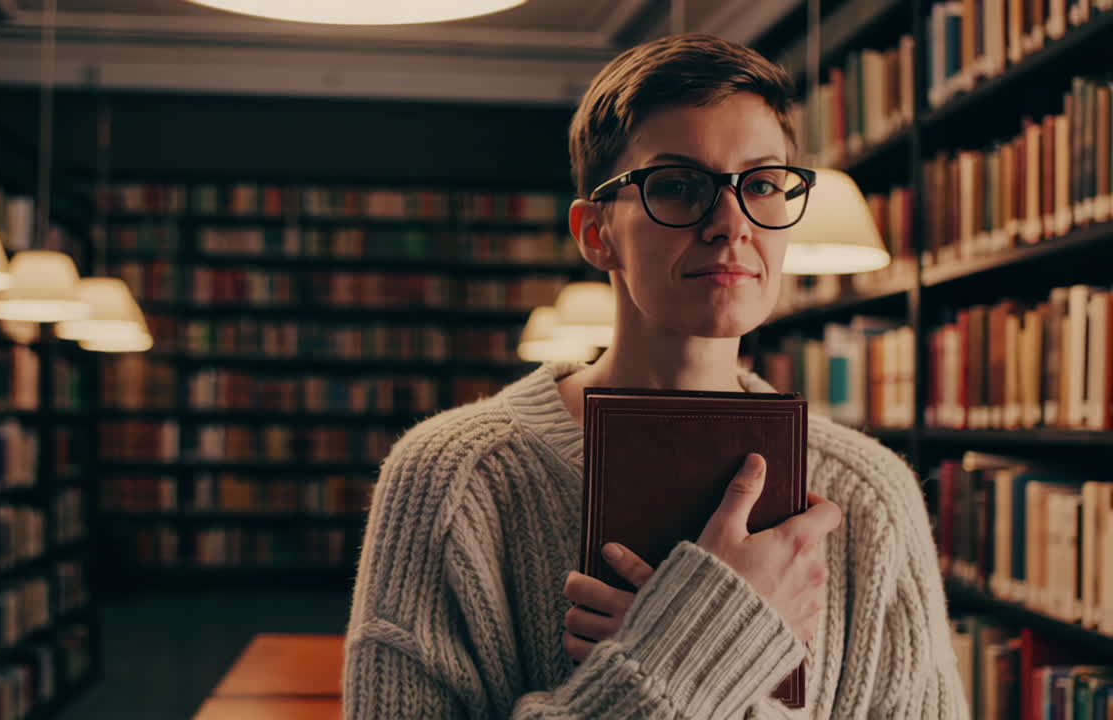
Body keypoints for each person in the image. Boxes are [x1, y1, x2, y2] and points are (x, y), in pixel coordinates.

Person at [343, 33, 967, 719]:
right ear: (595, 233)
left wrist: (685, 654)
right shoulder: (451, 477)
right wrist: (692, 655)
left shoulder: (872, 496)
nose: (731, 224)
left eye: (761, 184)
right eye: (676, 186)